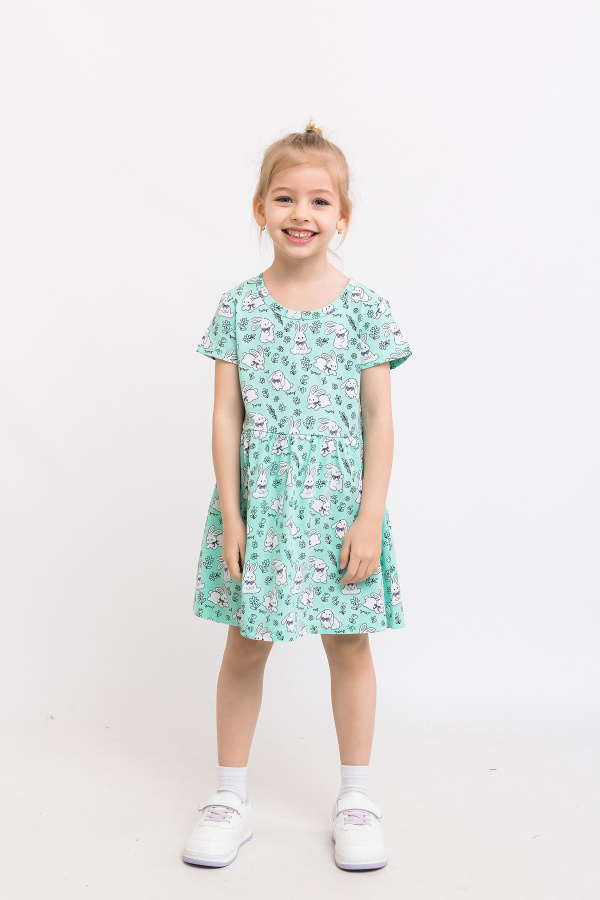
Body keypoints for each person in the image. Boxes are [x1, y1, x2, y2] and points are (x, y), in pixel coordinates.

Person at [182, 121, 413, 870]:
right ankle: (230, 797)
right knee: (245, 644)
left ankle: (356, 798)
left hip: (340, 507)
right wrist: (233, 514)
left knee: (348, 644)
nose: (301, 213)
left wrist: (370, 515)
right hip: (262, 505)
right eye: (284, 198)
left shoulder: (365, 307)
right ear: (260, 208)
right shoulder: (238, 307)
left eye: (319, 200)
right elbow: (227, 415)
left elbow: (378, 418)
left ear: (342, 215)